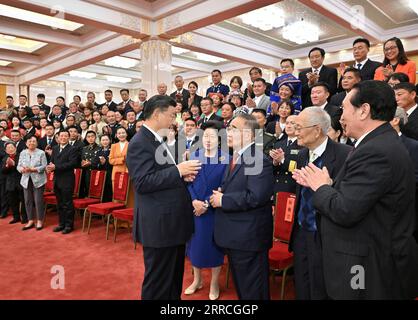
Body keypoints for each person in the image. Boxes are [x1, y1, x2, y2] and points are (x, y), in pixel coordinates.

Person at [294, 80, 418, 299]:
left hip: (367, 265)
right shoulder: (380, 143)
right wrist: (331, 187)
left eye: (345, 108)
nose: (341, 117)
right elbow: (362, 198)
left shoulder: (375, 151)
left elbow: (345, 211)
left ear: (364, 110)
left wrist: (321, 187)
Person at [126, 95, 202, 300]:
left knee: (173, 279)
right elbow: (142, 182)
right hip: (159, 226)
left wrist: (182, 174)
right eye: (171, 115)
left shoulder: (158, 139)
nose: (174, 120)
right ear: (157, 114)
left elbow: (161, 175)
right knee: (158, 282)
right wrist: (178, 170)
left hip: (172, 223)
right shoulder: (139, 142)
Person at [210, 113, 274, 300]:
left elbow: (256, 196)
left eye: (233, 129)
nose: (228, 132)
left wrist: (224, 200)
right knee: (244, 289)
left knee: (253, 291)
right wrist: (223, 192)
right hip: (236, 235)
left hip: (248, 238)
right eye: (228, 128)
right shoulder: (237, 156)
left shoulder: (257, 158)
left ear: (249, 135)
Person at [289, 107, 351, 300]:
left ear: (317, 130)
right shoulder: (301, 155)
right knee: (302, 282)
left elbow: (350, 200)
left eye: (299, 127)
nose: (294, 131)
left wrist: (327, 186)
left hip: (327, 234)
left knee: (322, 287)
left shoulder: (346, 154)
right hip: (301, 231)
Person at [185, 121, 227, 300]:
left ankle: (214, 283)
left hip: (214, 211)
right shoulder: (194, 155)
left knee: (213, 247)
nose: (208, 140)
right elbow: (188, 182)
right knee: (195, 246)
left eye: (212, 136)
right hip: (195, 210)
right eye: (205, 136)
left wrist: (206, 205)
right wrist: (194, 201)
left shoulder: (226, 159)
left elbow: (225, 186)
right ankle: (197, 280)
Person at [390, 107, 418, 241]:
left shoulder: (413, 146)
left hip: (405, 210)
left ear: (395, 120)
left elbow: (415, 177)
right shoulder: (372, 144)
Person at [46, 130, 78, 234]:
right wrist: (50, 166)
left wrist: (56, 167)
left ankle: (69, 225)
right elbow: (53, 161)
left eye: (65, 136)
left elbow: (72, 164)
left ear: (69, 137)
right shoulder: (55, 149)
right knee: (59, 203)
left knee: (67, 203)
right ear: (58, 138)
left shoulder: (73, 149)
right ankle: (61, 223)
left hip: (67, 180)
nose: (63, 138)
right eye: (61, 136)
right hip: (57, 179)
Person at [17, 136, 47, 231]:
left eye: (34, 141)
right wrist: (22, 170)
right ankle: (30, 220)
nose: (31, 143)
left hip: (38, 180)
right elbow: (19, 165)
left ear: (37, 143)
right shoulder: (23, 152)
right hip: (26, 179)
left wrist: (33, 169)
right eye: (29, 141)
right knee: (27, 201)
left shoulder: (41, 153)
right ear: (26, 143)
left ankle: (39, 220)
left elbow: (44, 166)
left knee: (38, 201)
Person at [270, 115, 302, 194]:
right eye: (287, 123)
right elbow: (271, 169)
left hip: (292, 188)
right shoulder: (278, 144)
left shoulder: (303, 145)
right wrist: (275, 162)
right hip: (277, 186)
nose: (288, 126)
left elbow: (299, 167)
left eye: (292, 123)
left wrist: (283, 160)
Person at [1, 142, 27, 225]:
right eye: (8, 148)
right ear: (5, 150)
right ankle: (16, 217)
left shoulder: (21, 156)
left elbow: (23, 168)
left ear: (15, 148)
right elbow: (3, 171)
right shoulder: (5, 158)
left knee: (23, 201)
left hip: (20, 182)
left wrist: (14, 164)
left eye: (12, 147)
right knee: (13, 201)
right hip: (10, 183)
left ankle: (24, 217)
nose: (10, 149)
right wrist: (7, 166)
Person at [91, 135, 113, 202]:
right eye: (103, 140)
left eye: (106, 140)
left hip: (109, 174)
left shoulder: (112, 150)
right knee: (101, 192)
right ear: (100, 141)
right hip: (101, 175)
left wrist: (105, 162)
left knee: (109, 192)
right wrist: (101, 164)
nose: (105, 142)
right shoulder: (98, 151)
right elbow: (94, 164)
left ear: (110, 141)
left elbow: (113, 163)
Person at [80, 131, 100, 198]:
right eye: (88, 137)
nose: (90, 138)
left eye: (92, 136)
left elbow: (99, 161)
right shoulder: (84, 148)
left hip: (96, 172)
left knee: (95, 192)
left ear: (95, 137)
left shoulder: (99, 148)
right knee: (86, 189)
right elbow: (82, 159)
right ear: (86, 138)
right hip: (86, 172)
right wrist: (82, 163)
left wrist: (90, 163)